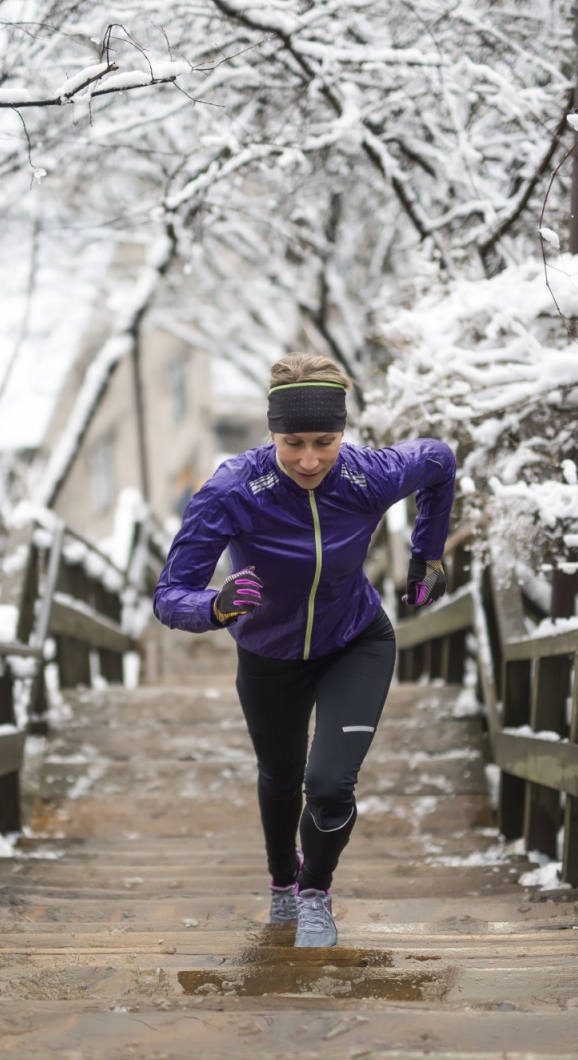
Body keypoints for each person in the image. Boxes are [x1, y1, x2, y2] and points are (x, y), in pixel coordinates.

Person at [152, 353, 455, 948]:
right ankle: (282, 882)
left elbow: (439, 461)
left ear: (344, 433)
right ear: (271, 433)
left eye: (326, 440)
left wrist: (428, 553)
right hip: (270, 654)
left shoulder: (369, 474)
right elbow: (168, 595)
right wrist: (213, 607)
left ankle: (316, 892)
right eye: (293, 442)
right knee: (281, 776)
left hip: (356, 640)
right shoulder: (232, 490)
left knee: (329, 783)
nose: (310, 459)